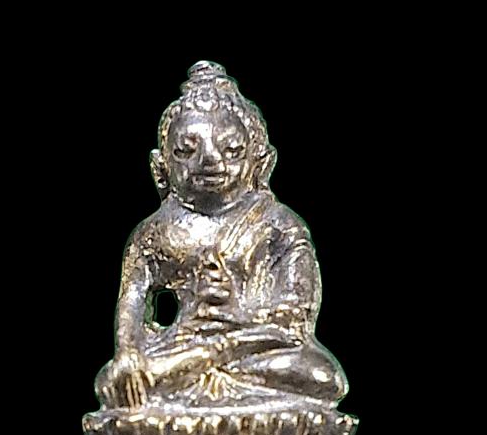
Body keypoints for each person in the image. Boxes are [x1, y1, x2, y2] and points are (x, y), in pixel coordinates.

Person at [96, 61, 347, 411]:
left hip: (256, 348)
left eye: (232, 150)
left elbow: (296, 316)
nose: (210, 161)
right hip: (180, 346)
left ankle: (198, 375)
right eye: (186, 151)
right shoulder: (153, 233)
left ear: (261, 163)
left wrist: (234, 315)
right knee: (113, 382)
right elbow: (133, 302)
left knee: (322, 376)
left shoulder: (278, 225)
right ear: (161, 168)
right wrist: (128, 352)